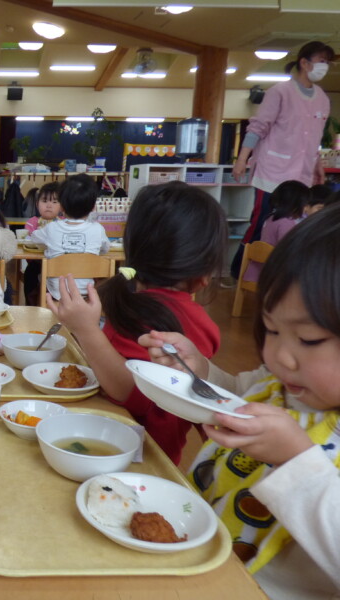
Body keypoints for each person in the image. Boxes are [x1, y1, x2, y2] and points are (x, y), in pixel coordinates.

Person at [139, 205, 340, 599]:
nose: (280, 356)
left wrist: (296, 461)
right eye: (271, 330)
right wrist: (198, 370)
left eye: (309, 339)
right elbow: (235, 395)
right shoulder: (277, 384)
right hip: (200, 561)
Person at [47, 181, 227, 464]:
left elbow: (129, 391)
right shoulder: (133, 298)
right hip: (109, 439)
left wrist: (86, 330)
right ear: (204, 274)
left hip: (138, 457)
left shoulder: (171, 319)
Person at [230, 41, 335, 280]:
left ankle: (276, 276)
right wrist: (241, 159)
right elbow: (258, 128)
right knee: (262, 223)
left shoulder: (322, 98)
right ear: (304, 63)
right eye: (321, 61)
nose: (325, 66)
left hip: (302, 175)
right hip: (272, 172)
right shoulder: (280, 92)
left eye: (327, 62)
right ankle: (239, 272)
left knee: (294, 225)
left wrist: (317, 164)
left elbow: (314, 137)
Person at [28, 174, 110, 299]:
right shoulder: (98, 229)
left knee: (33, 273)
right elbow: (105, 249)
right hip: (87, 291)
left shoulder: (52, 228)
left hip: (57, 292)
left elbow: (34, 238)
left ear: (61, 206)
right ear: (93, 207)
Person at [242, 180, 308, 284]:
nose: (306, 208)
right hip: (272, 277)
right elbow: (288, 250)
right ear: (297, 204)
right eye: (305, 204)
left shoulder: (270, 218)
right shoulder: (286, 223)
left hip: (257, 272)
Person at [23, 181, 61, 305]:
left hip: (58, 262)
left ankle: (55, 301)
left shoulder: (63, 223)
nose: (49, 205)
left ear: (62, 206)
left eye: (54, 202)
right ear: (37, 204)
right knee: (30, 273)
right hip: (36, 262)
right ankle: (31, 304)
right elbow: (27, 241)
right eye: (44, 201)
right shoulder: (32, 222)